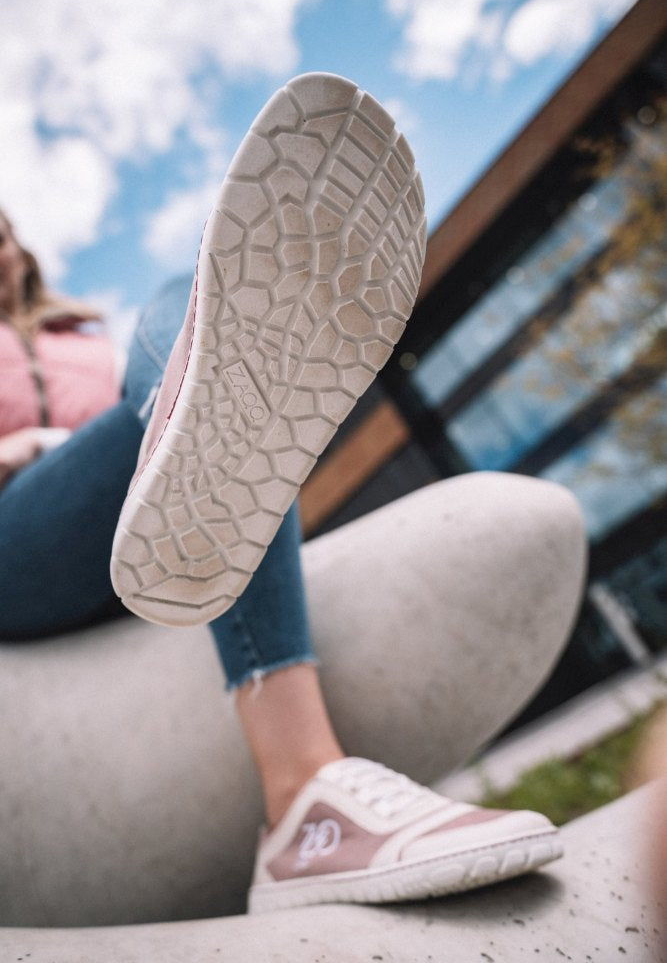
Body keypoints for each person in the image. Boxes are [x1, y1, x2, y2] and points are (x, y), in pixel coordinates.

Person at [0, 72, 561, 914]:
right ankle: (301, 784)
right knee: (219, 389)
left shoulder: (81, 335)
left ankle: (195, 429)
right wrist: (31, 447)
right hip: (25, 547)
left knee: (188, 315)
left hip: (130, 532)